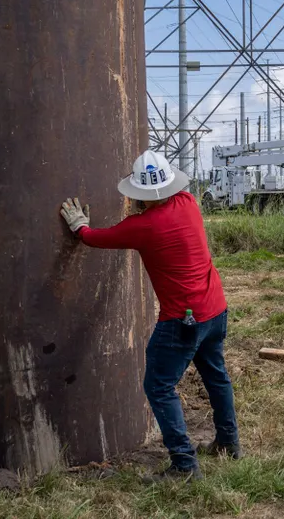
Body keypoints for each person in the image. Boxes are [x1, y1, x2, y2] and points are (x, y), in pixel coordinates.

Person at [59, 151, 239, 482]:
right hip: (215, 309)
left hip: (182, 321)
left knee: (158, 386)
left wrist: (80, 228)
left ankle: (184, 465)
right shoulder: (188, 203)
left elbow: (97, 238)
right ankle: (229, 442)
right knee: (216, 375)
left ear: (140, 194)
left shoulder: (141, 227)